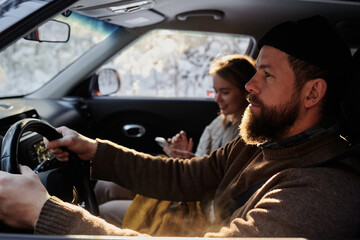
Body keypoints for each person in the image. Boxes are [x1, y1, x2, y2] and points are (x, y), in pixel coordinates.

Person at [0, 15, 359, 238]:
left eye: (266, 75)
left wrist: (46, 215)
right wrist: (94, 150)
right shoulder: (263, 141)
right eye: (254, 73)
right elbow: (187, 177)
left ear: (313, 92)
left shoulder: (324, 190)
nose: (250, 85)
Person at [94, 54, 257, 230]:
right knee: (104, 185)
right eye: (215, 91)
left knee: (104, 211)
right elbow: (201, 162)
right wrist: (183, 155)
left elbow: (219, 183)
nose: (217, 99)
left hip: (195, 204)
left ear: (247, 91)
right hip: (186, 183)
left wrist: (190, 161)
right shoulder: (220, 122)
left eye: (225, 92)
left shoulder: (247, 136)